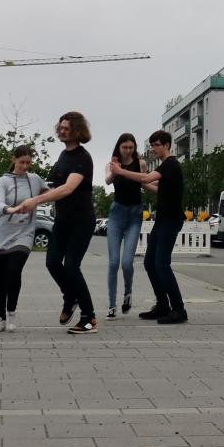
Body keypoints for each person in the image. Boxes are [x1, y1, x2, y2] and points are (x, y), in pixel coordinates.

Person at [20, 112, 98, 335]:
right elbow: (52, 187)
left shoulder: (83, 158)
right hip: (63, 220)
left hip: (81, 221)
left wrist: (35, 200)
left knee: (72, 266)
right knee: (53, 262)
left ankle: (88, 318)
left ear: (77, 131)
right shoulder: (63, 156)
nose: (61, 130)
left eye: (66, 128)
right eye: (60, 127)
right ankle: (70, 296)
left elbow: (67, 188)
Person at [112, 129, 187, 324]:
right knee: (149, 263)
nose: (153, 148)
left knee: (162, 265)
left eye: (156, 145)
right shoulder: (165, 167)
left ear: (167, 145)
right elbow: (156, 188)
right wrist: (143, 185)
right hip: (162, 220)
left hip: (171, 221)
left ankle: (179, 310)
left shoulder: (171, 164)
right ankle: (163, 305)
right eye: (152, 145)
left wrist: (121, 172)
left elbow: (146, 178)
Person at [0, 145, 45, 332]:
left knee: (14, 271)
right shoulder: (2, 181)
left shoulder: (35, 180)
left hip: (24, 233)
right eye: (22, 162)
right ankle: (0, 317)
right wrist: (9, 209)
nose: (25, 166)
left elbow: (50, 192)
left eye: (29, 162)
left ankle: (11, 312)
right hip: (0, 234)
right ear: (14, 160)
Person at [104, 133, 144, 320]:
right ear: (119, 148)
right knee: (113, 262)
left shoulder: (141, 164)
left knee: (127, 262)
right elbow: (108, 181)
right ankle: (111, 305)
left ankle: (128, 291)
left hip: (135, 215)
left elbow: (145, 181)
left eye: (131, 147)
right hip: (117, 215)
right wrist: (114, 170)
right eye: (124, 147)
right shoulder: (111, 164)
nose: (128, 150)